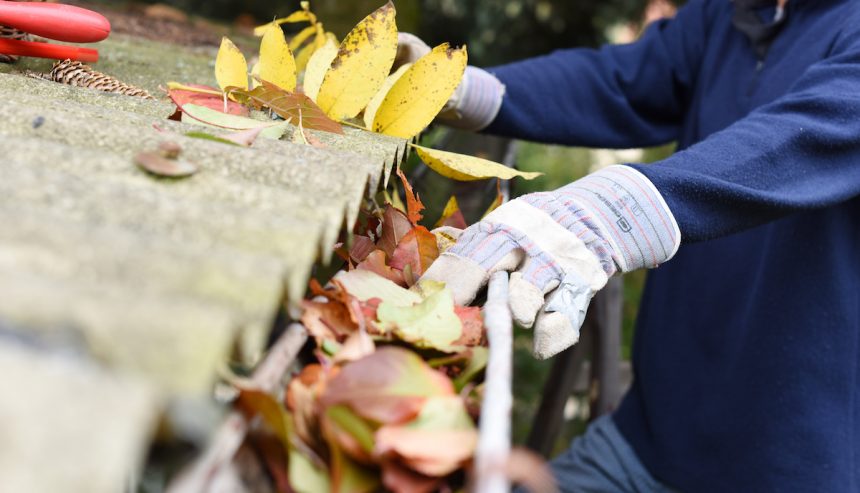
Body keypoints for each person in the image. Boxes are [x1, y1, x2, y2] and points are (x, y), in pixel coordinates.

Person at [401, 0, 860, 491]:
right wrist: (462, 89)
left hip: (794, 470)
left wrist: (615, 211)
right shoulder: (731, 14)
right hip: (644, 442)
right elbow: (620, 80)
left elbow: (815, 130)